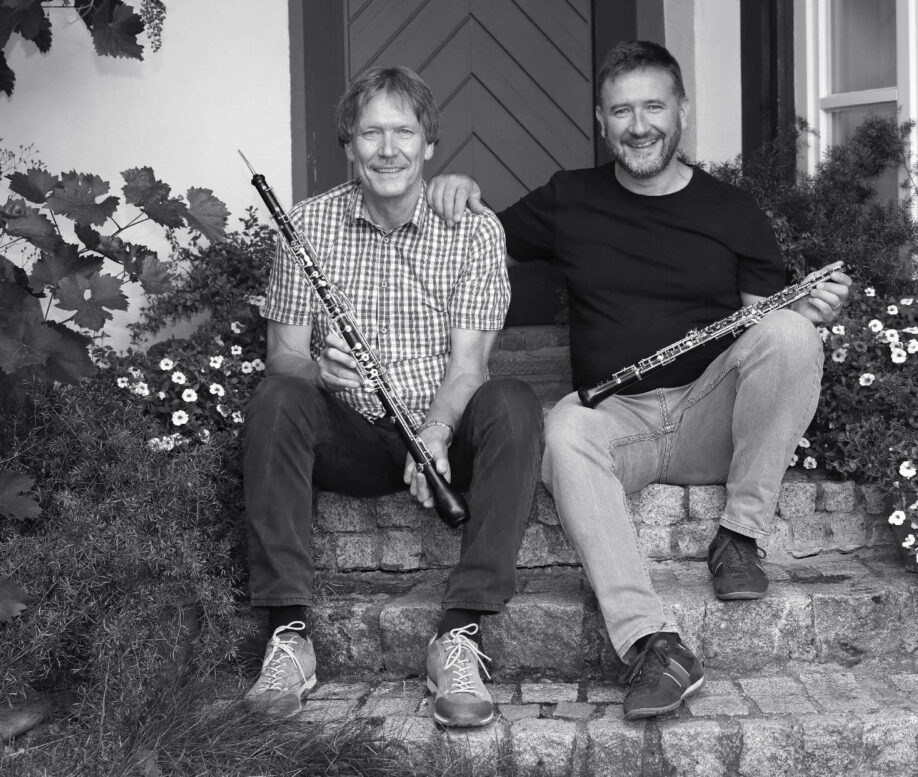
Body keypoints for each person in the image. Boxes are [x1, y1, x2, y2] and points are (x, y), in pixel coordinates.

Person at [426, 40, 851, 721]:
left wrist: (806, 312)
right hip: (618, 422)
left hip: (711, 418)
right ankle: (653, 642)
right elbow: (479, 240)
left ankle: (740, 535)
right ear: (601, 120)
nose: (639, 124)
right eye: (621, 110)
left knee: (793, 332)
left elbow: (763, 334)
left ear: (681, 111)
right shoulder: (571, 197)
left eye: (654, 105)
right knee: (562, 427)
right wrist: (457, 191)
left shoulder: (732, 210)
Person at [242, 65, 542, 727]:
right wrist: (320, 367)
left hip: (441, 431)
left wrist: (436, 431)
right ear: (349, 144)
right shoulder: (307, 225)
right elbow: (282, 352)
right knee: (277, 396)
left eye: (403, 131)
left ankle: (459, 634)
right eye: (371, 132)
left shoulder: (473, 229)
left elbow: (470, 367)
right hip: (350, 432)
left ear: (429, 144)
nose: (388, 147)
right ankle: (289, 636)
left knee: (514, 403)